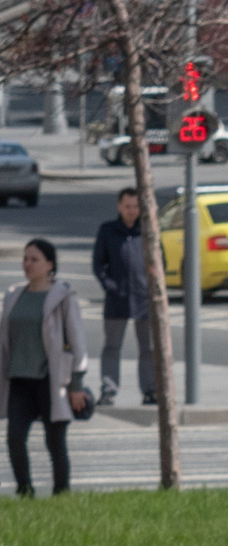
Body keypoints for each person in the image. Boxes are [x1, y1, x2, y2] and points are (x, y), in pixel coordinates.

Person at [4, 240, 88, 499]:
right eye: (25, 258)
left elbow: (77, 343)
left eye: (34, 259)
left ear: (50, 265)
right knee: (14, 438)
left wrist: (76, 386)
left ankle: (61, 493)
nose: (27, 264)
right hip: (19, 379)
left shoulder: (63, 297)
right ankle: (24, 491)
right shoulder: (13, 295)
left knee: (54, 442)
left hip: (51, 380)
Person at [90, 189, 156, 409]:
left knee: (148, 347)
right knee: (112, 346)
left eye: (136, 207)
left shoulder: (147, 232)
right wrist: (109, 285)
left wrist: (152, 288)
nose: (132, 211)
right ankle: (108, 389)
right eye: (127, 206)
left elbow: (159, 261)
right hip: (117, 299)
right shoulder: (108, 231)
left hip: (144, 300)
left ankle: (150, 390)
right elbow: (98, 263)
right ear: (119, 206)